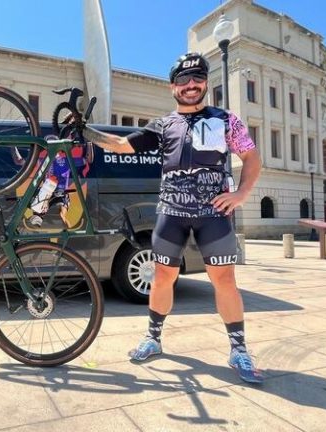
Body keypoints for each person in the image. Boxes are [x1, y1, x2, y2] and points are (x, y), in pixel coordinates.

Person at [81, 52, 264, 384]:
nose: (191, 85)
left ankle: (239, 350)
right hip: (171, 213)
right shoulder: (163, 125)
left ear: (206, 82)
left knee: (224, 281)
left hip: (214, 214)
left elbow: (251, 158)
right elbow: (122, 144)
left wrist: (240, 194)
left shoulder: (226, 120)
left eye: (197, 78)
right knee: (161, 277)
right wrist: (87, 132)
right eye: (183, 80)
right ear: (172, 87)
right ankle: (153, 337)